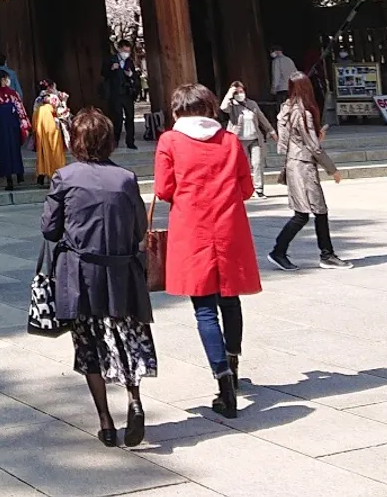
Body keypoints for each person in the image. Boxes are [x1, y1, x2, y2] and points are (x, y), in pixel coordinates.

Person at [43, 108, 156, 448]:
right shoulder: (126, 178)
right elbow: (140, 228)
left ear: (75, 141)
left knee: (88, 345)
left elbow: (49, 229)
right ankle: (133, 398)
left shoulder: (64, 177)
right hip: (121, 272)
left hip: (80, 273)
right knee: (125, 337)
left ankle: (106, 422)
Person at [153, 83, 261, 420]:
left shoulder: (170, 141)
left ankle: (223, 382)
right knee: (231, 299)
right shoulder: (229, 141)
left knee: (204, 310)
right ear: (211, 107)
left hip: (193, 229)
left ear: (177, 111)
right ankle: (233, 361)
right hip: (229, 228)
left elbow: (163, 188)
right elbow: (246, 187)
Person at [269, 73, 352, 271]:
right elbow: (313, 147)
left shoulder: (286, 109)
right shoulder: (302, 113)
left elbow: (292, 140)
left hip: (295, 162)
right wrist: (332, 170)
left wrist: (316, 136)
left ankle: (321, 253)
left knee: (310, 212)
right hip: (302, 166)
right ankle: (285, 252)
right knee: (309, 213)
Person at [220, 81, 275, 198]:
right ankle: (244, 189)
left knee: (257, 163)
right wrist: (230, 94)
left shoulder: (252, 104)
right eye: (237, 92)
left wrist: (271, 130)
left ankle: (259, 189)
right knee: (244, 165)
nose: (240, 94)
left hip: (255, 137)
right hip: (239, 139)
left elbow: (261, 117)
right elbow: (223, 107)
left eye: (241, 91)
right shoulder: (232, 106)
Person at [0, 70, 30, 191]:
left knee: (4, 151)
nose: (8, 81)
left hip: (1, 125)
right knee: (14, 148)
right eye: (6, 78)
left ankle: (9, 178)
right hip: (13, 123)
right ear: (2, 80)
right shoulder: (13, 94)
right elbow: (20, 110)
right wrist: (24, 124)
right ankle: (18, 174)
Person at [32, 79, 71, 187]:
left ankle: (42, 173)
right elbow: (61, 113)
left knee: (43, 151)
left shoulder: (38, 100)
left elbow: (34, 113)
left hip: (41, 126)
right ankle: (56, 174)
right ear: (49, 88)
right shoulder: (53, 98)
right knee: (55, 150)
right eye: (54, 87)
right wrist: (64, 101)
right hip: (52, 126)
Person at [102, 44, 139, 150]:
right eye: (124, 51)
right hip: (115, 94)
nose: (126, 53)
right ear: (119, 49)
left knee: (130, 118)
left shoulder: (129, 61)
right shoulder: (110, 60)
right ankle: (115, 141)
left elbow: (135, 76)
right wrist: (111, 69)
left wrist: (131, 75)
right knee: (117, 118)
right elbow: (103, 73)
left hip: (127, 94)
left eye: (128, 51)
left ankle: (130, 142)